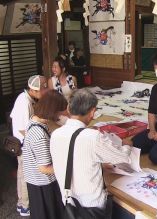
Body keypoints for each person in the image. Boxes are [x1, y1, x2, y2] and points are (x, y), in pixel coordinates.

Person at [50, 88, 132, 217]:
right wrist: (127, 145)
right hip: (91, 206)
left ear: (68, 109)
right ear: (92, 112)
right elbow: (122, 157)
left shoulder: (55, 134)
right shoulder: (93, 137)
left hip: (68, 201)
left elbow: (72, 157)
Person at [22, 90, 67, 219]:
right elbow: (44, 168)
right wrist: (68, 167)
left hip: (35, 181)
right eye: (59, 112)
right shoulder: (39, 134)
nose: (59, 116)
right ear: (52, 110)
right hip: (43, 184)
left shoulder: (34, 121)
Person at [10, 75, 47, 216]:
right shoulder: (24, 102)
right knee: (25, 176)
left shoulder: (26, 98)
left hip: (24, 143)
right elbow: (23, 128)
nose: (45, 91)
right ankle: (25, 205)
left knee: (22, 174)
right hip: (24, 145)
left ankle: (22, 203)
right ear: (36, 90)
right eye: (44, 88)